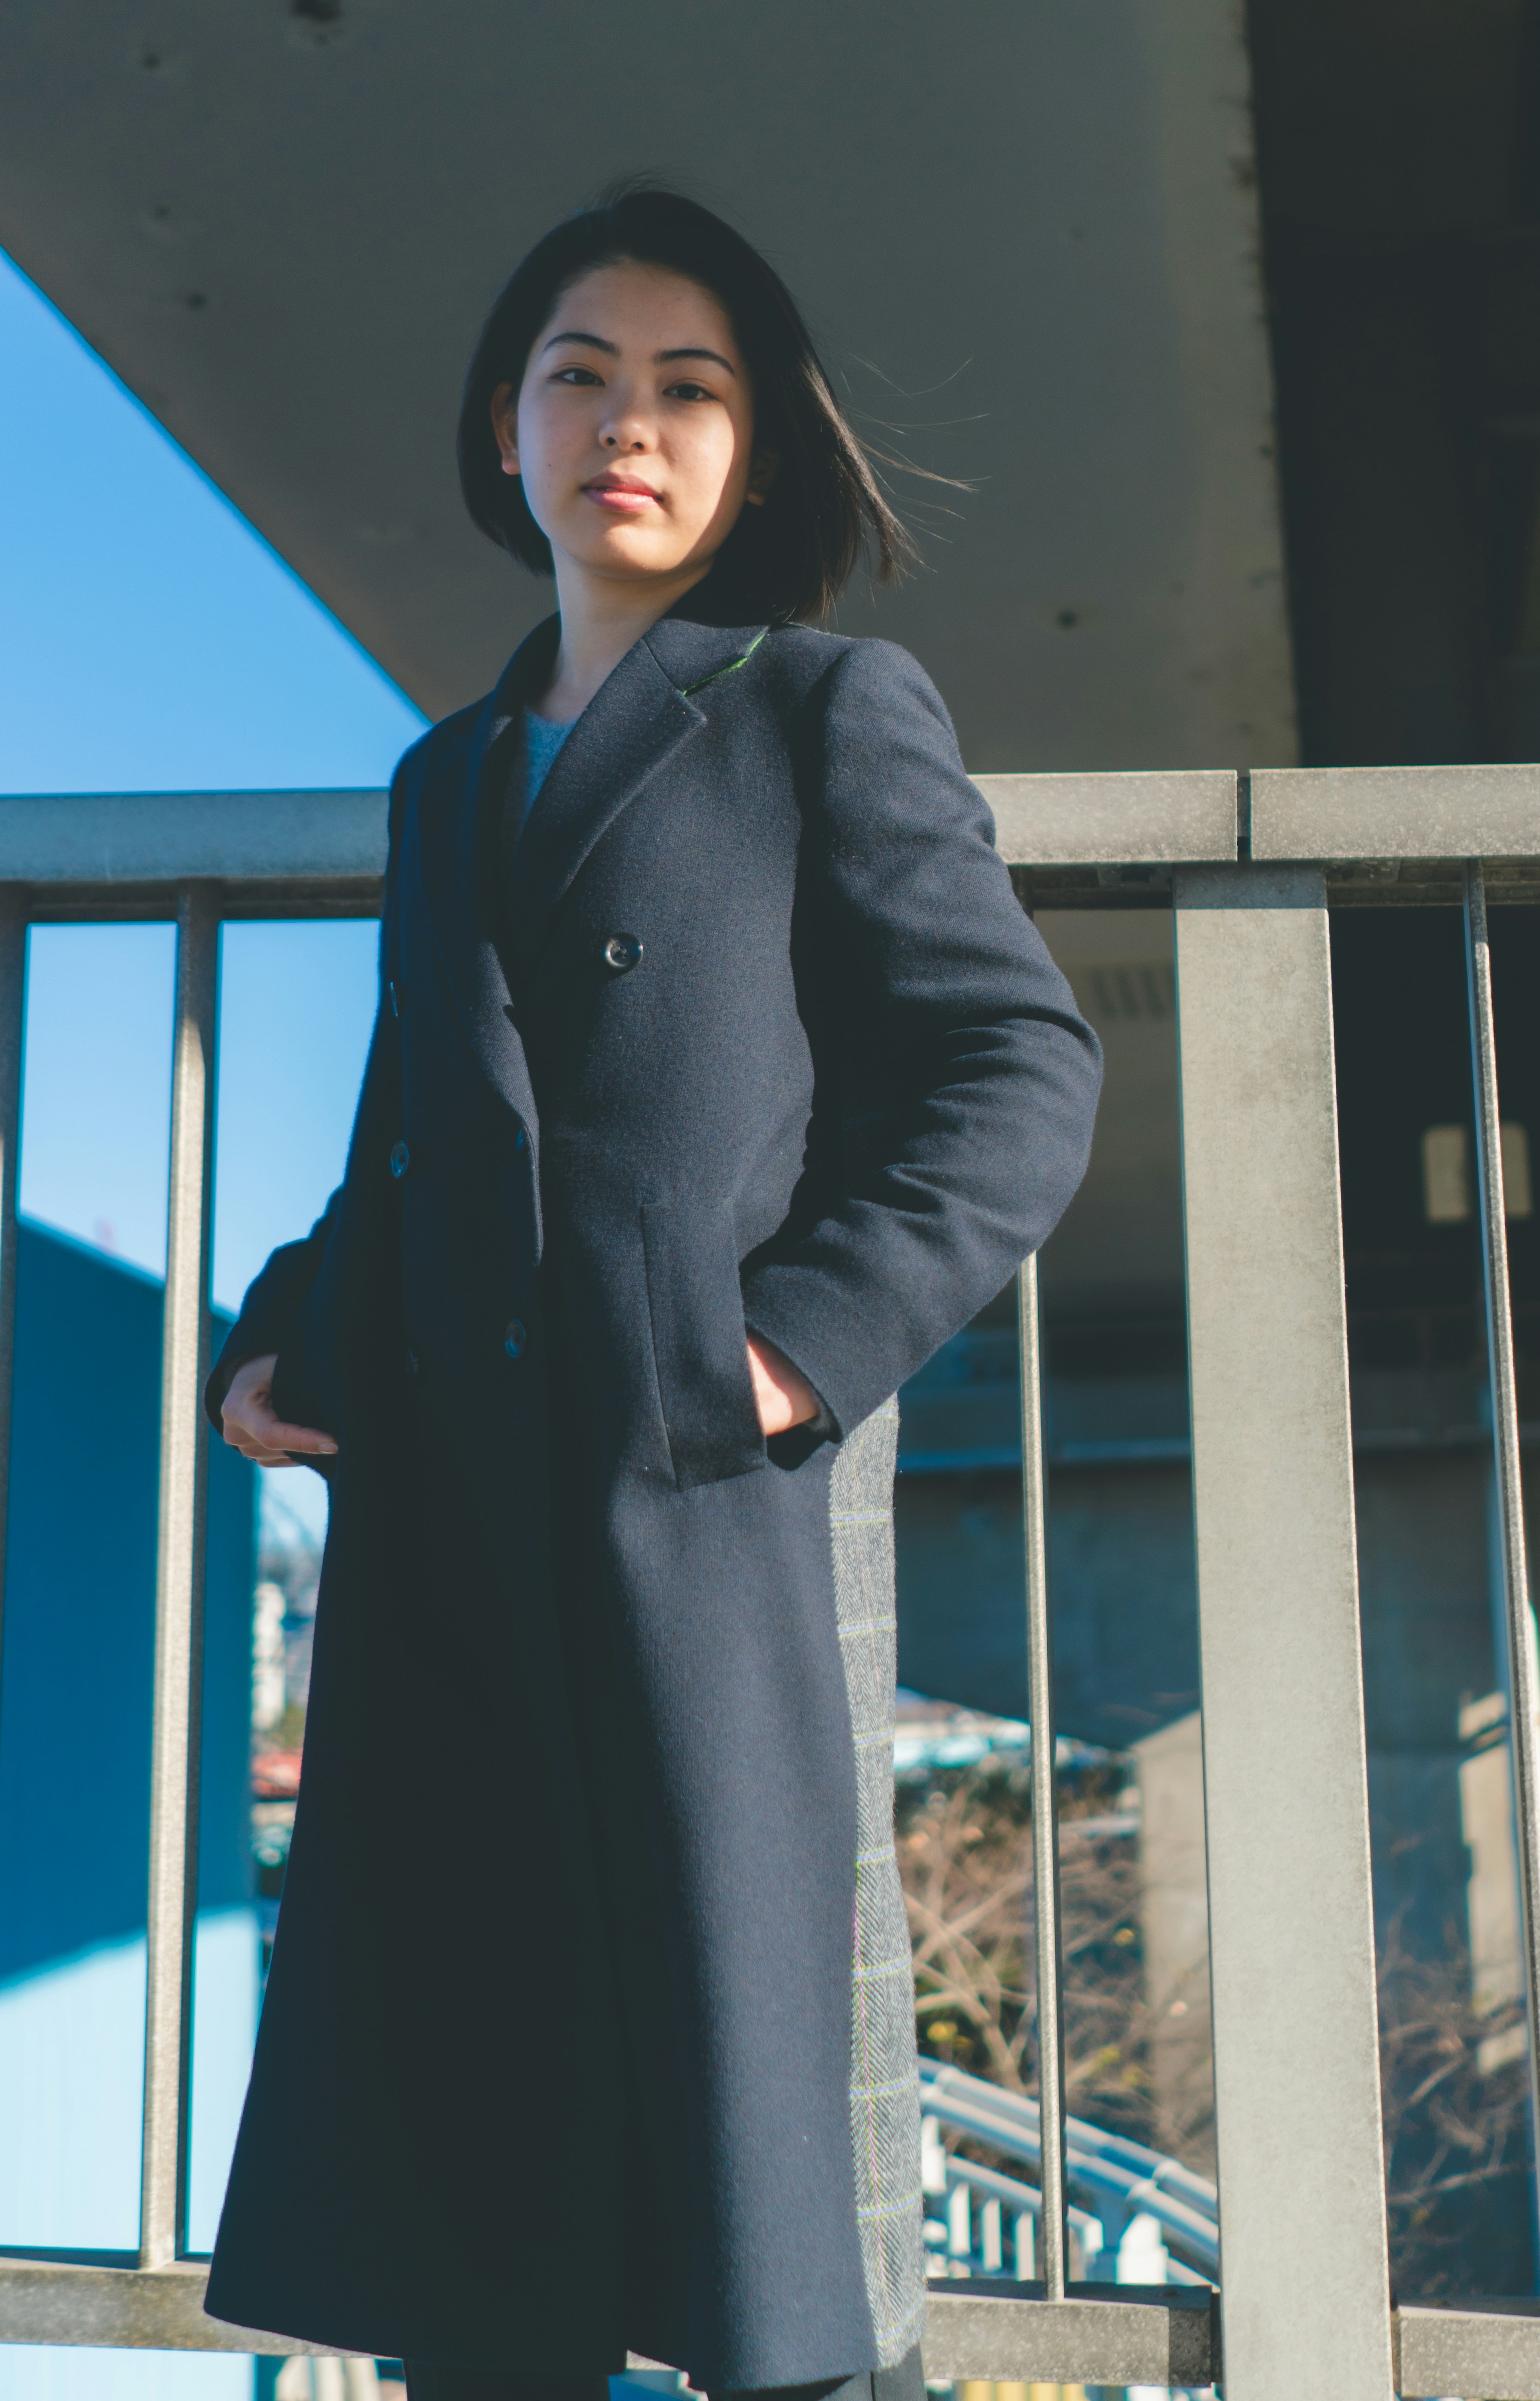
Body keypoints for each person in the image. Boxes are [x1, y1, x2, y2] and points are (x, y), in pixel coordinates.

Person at [207, 182, 1102, 2401]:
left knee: (753, 2227)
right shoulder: (446, 775)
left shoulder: (819, 708)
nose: (630, 421)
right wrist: (284, 1321)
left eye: (690, 388)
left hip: (678, 1513)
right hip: (442, 1545)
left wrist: (788, 1349)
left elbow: (1017, 1066)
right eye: (580, 375)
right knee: (467, 2238)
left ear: (761, 452)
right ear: (502, 431)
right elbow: (422, 1122)